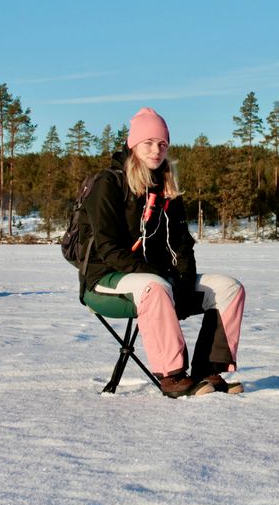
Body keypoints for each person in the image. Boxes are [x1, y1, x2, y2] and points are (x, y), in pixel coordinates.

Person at [81, 107, 245, 398]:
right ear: (133, 144)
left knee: (228, 287)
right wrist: (158, 276)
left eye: (162, 144)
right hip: (105, 279)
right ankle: (172, 376)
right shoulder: (108, 183)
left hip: (158, 280)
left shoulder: (167, 186)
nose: (156, 150)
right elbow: (106, 247)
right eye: (148, 143)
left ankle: (208, 371)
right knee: (154, 287)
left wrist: (183, 278)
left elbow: (182, 243)